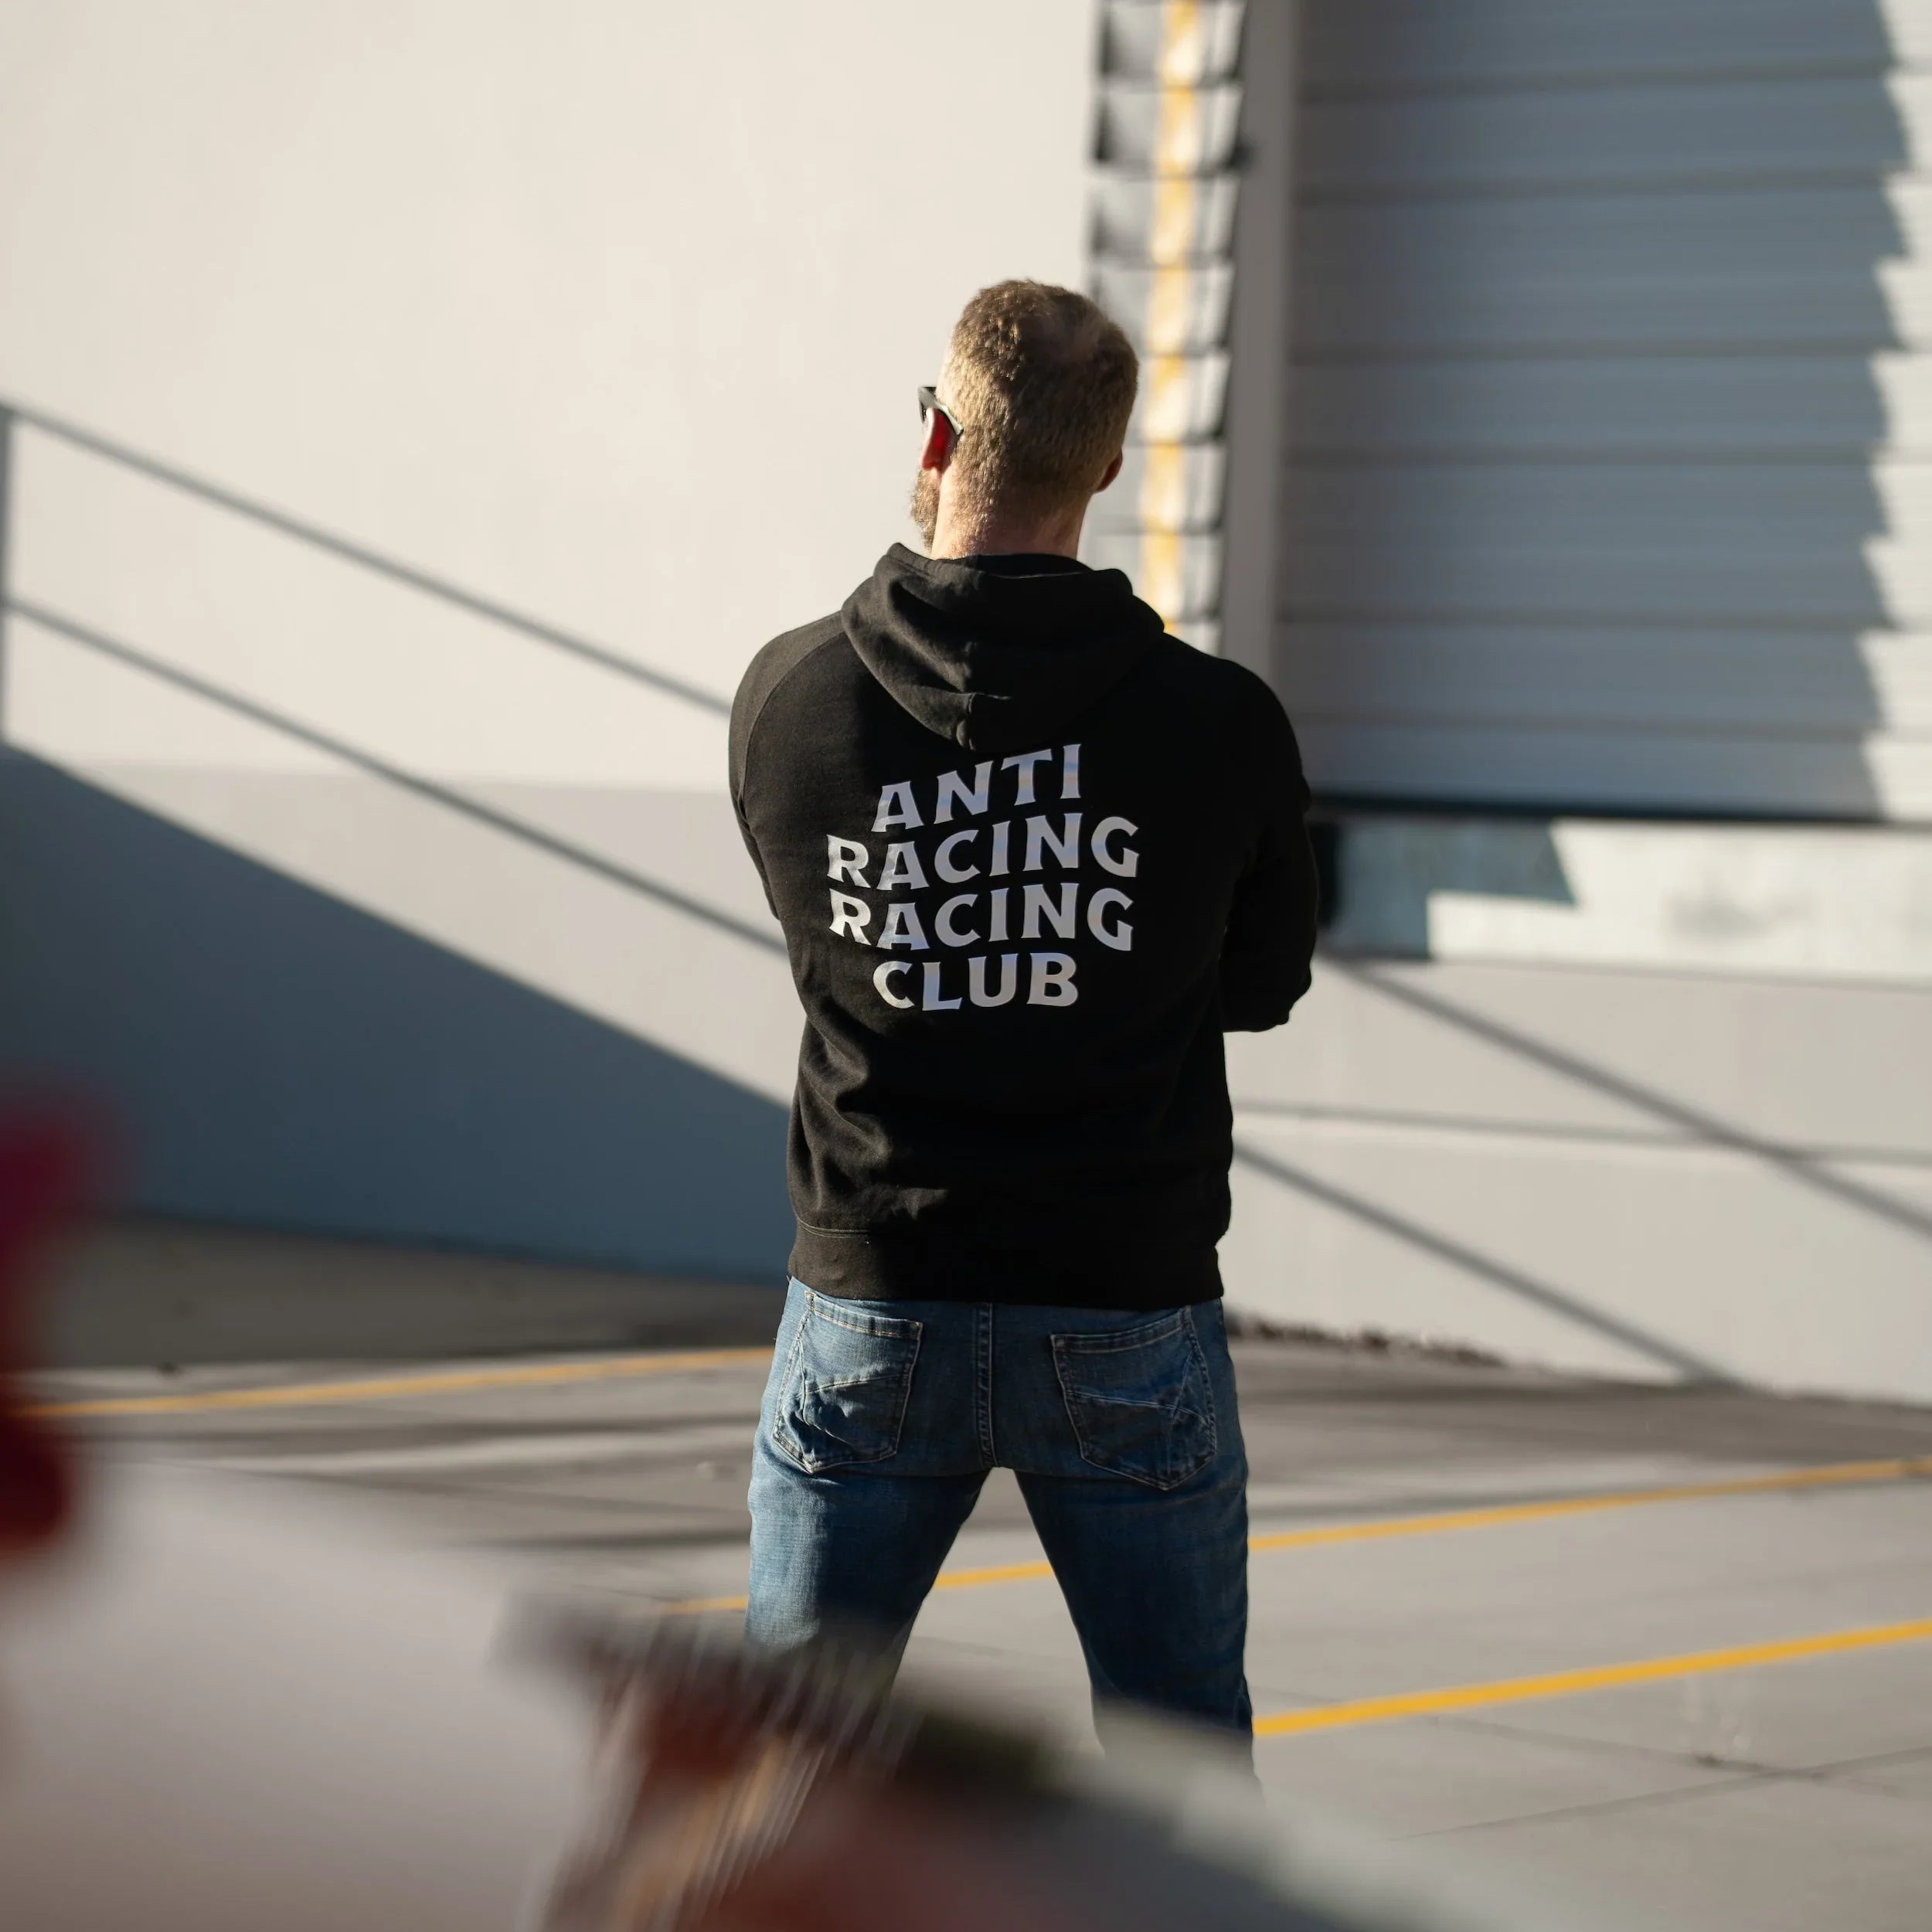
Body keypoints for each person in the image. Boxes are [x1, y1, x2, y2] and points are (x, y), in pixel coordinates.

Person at [728, 280, 1318, 1746]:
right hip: (1123, 1308)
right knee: (1176, 1780)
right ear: (1104, 469)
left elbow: (825, 947)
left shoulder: (790, 696)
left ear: (936, 433)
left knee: (785, 1778)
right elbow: (1263, 985)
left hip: (872, 1304)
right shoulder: (1221, 724)